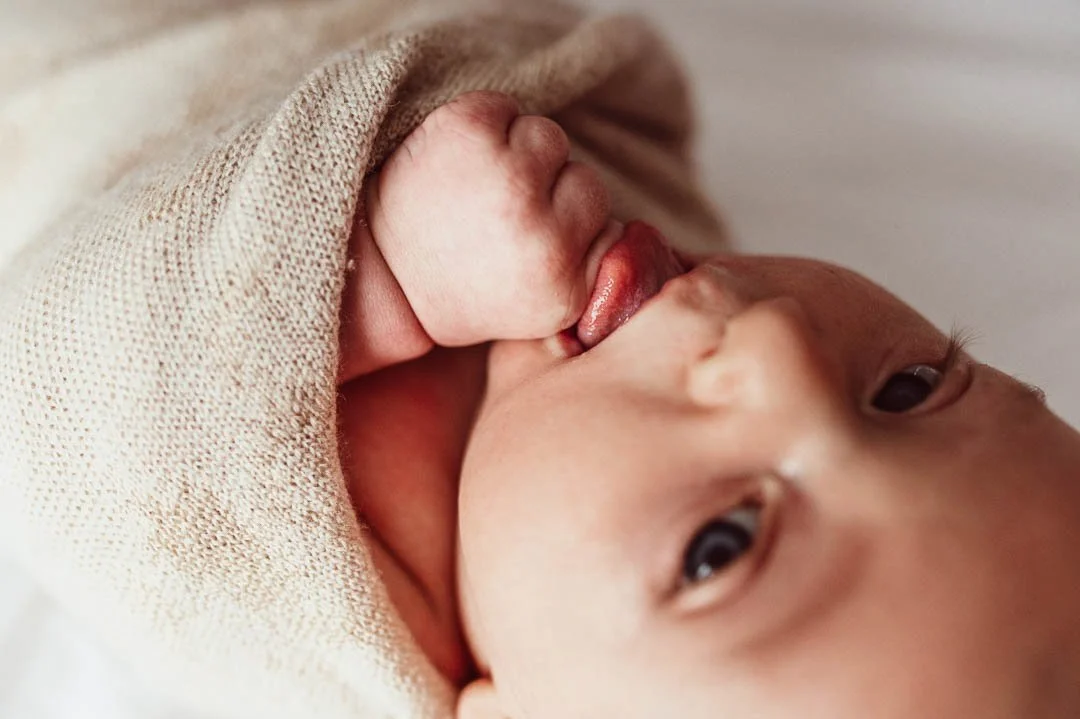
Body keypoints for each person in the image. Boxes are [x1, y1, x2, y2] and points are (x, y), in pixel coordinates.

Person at [337, 90, 1080, 718]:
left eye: (718, 549)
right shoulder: (652, 254)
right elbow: (615, 88)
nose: (778, 342)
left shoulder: (316, 623)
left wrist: (378, 279)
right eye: (910, 386)